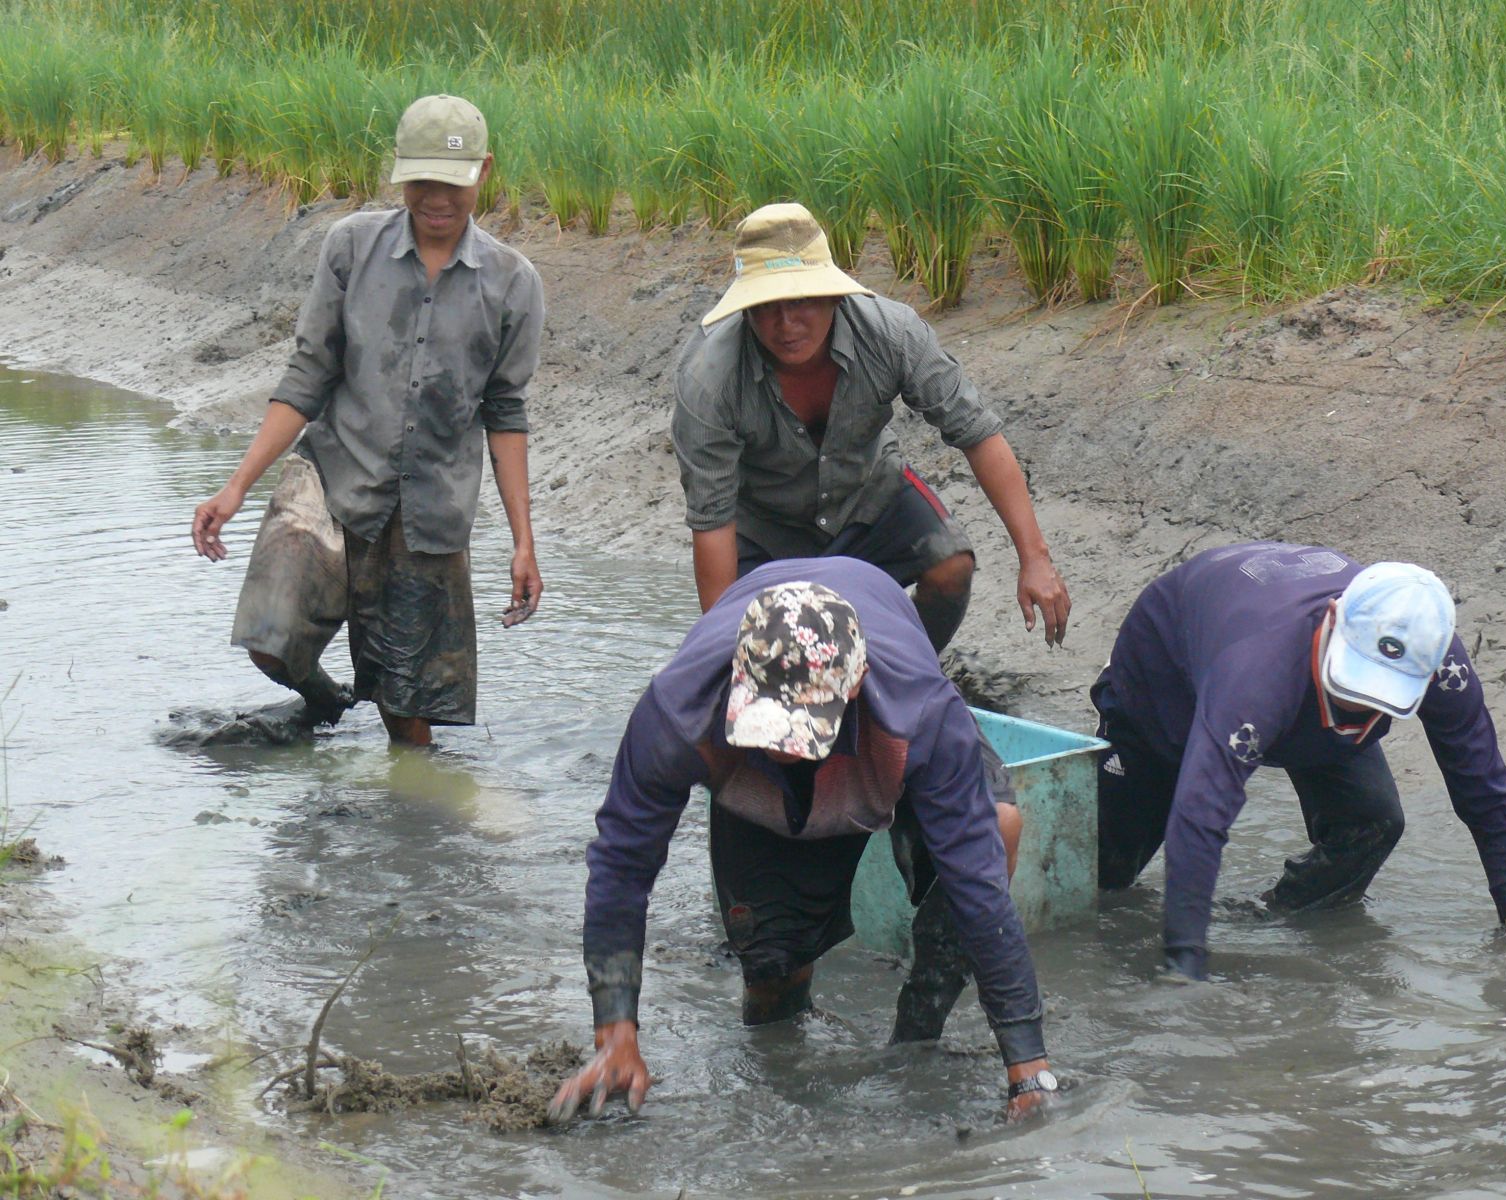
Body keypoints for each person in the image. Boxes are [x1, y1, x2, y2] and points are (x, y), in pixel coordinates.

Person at [549, 557, 1060, 1124]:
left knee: (998, 826)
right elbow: (623, 865)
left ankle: (915, 1042)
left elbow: (978, 884)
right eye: (771, 725)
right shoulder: (678, 714)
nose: (785, 748)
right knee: (773, 979)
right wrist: (615, 1034)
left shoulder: (922, 714)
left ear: (856, 682)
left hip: (879, 738)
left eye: (801, 729)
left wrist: (1027, 1066)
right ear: (739, 677)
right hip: (753, 787)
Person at [190, 94, 545, 746]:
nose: (436, 200)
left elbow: (506, 415)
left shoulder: (512, 283)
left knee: (405, 715)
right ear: (400, 176)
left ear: (485, 172)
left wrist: (524, 542)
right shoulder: (351, 247)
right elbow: (306, 376)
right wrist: (236, 486)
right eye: (421, 183)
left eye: (453, 184)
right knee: (271, 639)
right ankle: (325, 700)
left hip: (430, 511)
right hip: (333, 482)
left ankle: (409, 828)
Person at [1092, 541, 1506, 981]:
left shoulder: (1437, 658)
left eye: (1380, 700)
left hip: (1295, 686)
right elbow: (1200, 815)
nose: (1358, 717)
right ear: (1334, 620)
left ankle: (1274, 920)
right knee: (1104, 880)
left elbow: (1485, 786)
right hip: (1169, 672)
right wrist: (1183, 968)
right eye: (1354, 688)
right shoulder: (1257, 675)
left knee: (1372, 823)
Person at [672, 203, 1070, 655]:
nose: (786, 325)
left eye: (801, 300)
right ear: (745, 311)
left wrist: (1035, 559)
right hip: (765, 524)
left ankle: (903, 674)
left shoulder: (891, 334)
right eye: (766, 308)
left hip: (868, 491)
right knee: (763, 649)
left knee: (951, 567)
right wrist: (724, 652)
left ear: (833, 295)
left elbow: (977, 434)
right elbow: (712, 521)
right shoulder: (709, 379)